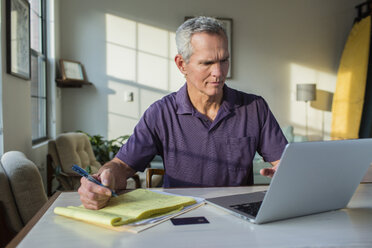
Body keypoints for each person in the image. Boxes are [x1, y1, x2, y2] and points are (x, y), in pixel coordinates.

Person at [78, 16, 288, 210]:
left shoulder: (254, 107)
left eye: (224, 60)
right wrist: (105, 178)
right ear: (182, 64)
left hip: (238, 213)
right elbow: (122, 166)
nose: (219, 73)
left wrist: (287, 173)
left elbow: (283, 164)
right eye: (207, 63)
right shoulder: (160, 113)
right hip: (180, 214)